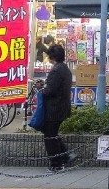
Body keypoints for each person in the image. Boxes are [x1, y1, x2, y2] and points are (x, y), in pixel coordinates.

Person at [38, 44, 73, 172]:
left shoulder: (56, 70)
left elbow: (50, 90)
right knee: (52, 133)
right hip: (63, 106)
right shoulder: (65, 68)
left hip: (54, 108)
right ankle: (66, 155)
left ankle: (57, 164)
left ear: (52, 56)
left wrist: (42, 89)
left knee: (50, 137)